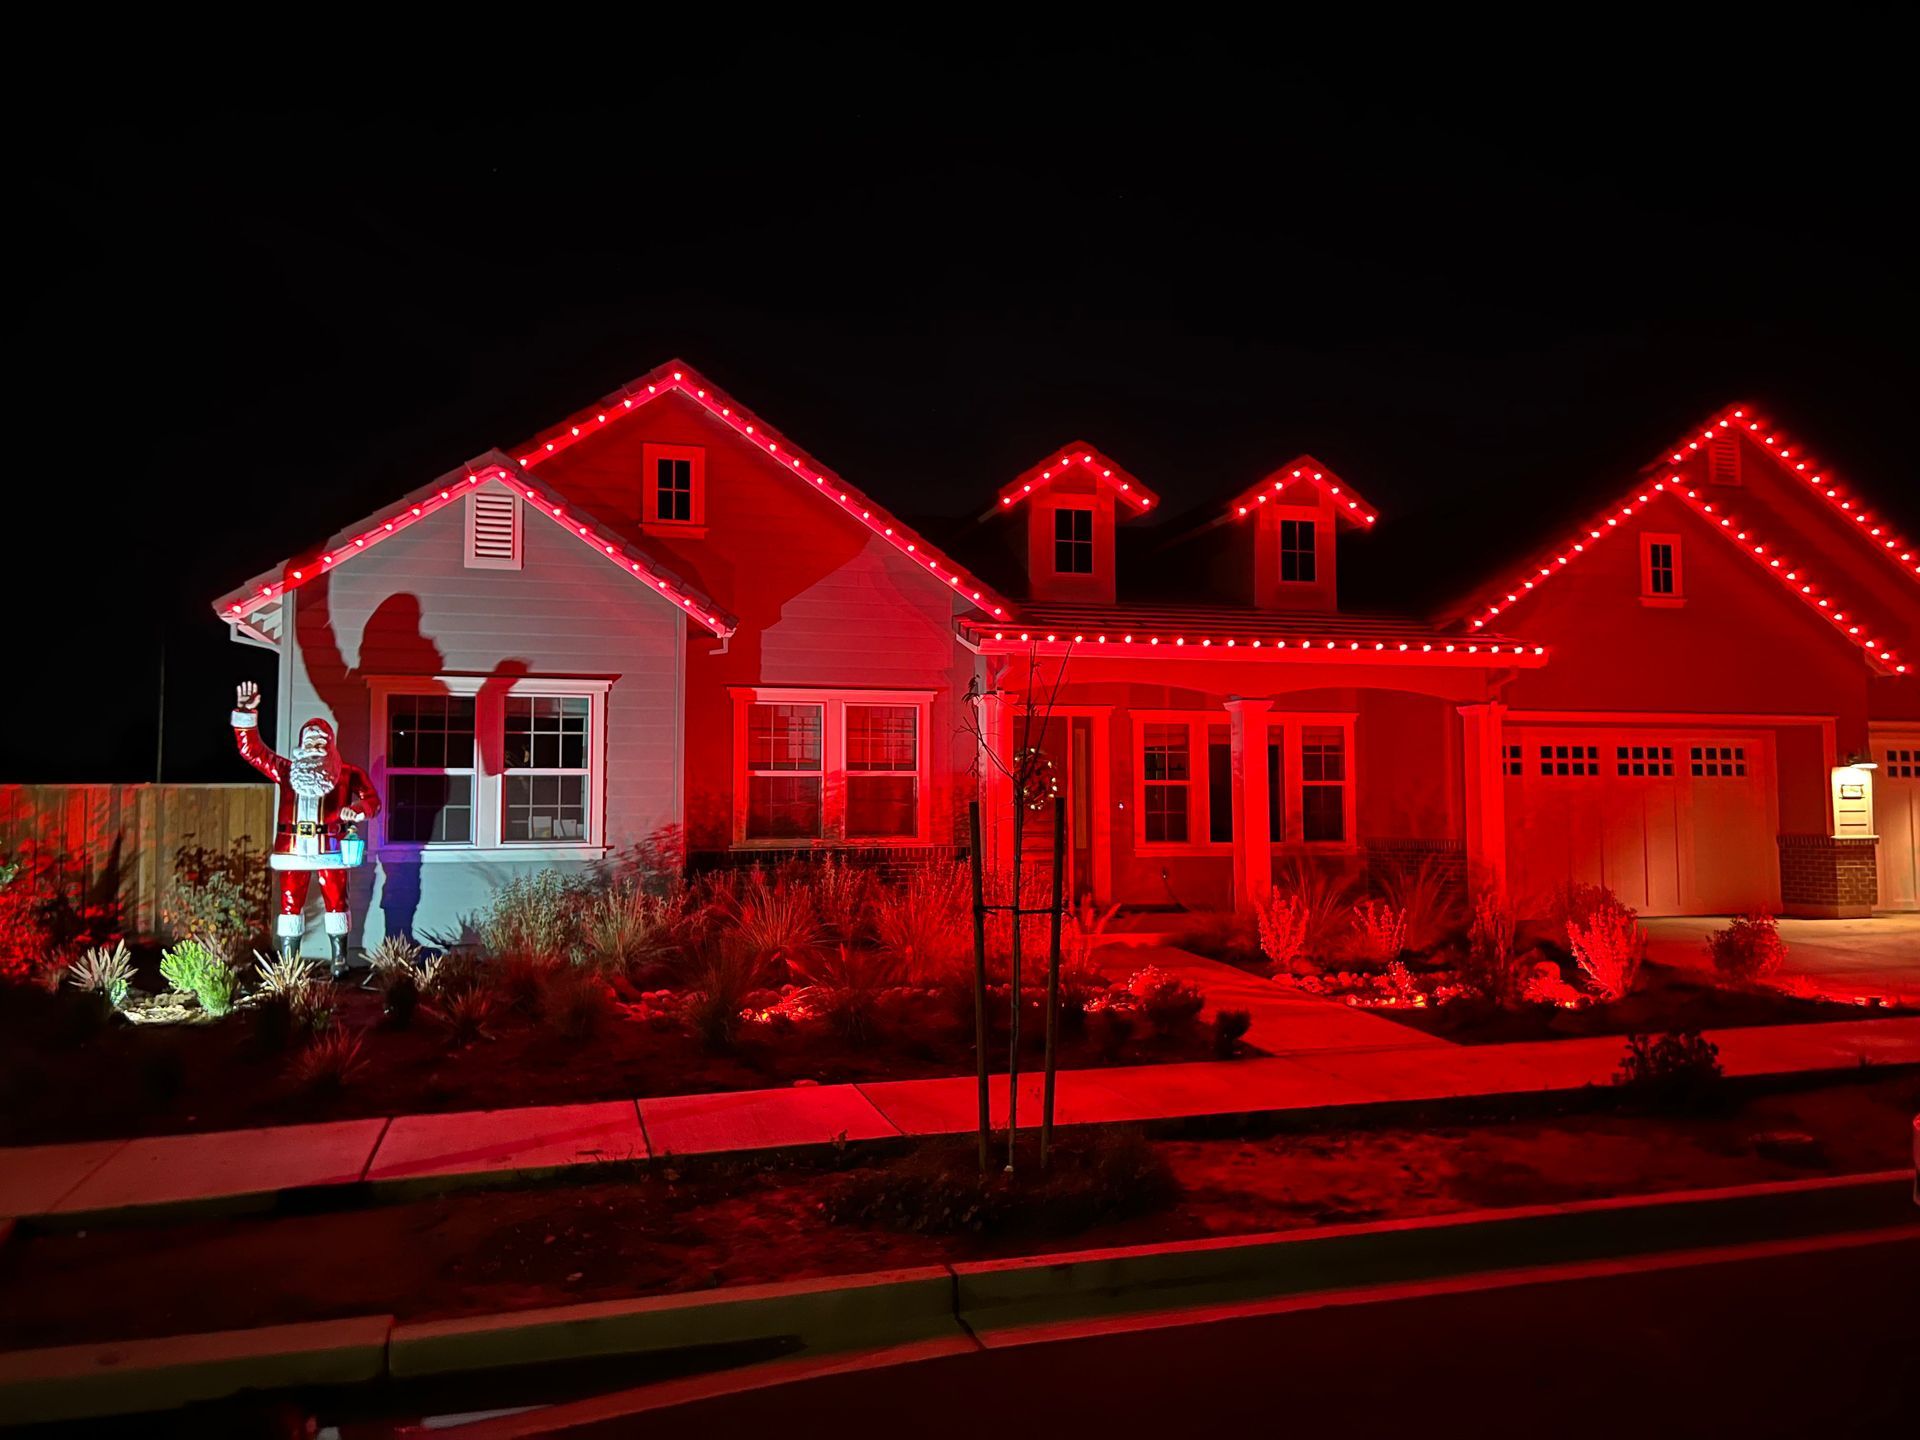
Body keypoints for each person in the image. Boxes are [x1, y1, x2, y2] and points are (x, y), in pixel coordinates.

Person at [231, 681, 380, 978]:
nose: (315, 749)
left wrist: (359, 811)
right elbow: (252, 751)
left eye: (321, 743)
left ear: (331, 745)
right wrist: (246, 714)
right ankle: (289, 965)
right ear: (301, 745)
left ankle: (339, 960)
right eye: (310, 743)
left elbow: (373, 800)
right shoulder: (286, 771)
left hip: (330, 848)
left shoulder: (347, 774)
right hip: (294, 848)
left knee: (337, 901)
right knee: (290, 902)